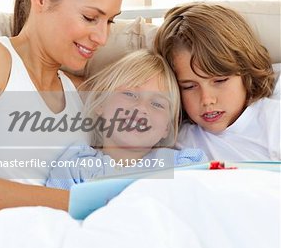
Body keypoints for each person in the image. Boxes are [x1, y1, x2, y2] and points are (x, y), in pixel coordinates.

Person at [0, 0, 126, 211]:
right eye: (90, 17)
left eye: (110, 21)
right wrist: (77, 202)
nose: (102, 37)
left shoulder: (79, 94)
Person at [46, 50, 207, 190]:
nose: (142, 108)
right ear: (101, 103)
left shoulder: (182, 164)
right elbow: (51, 217)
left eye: (157, 104)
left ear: (167, 127)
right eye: (129, 94)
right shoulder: (76, 168)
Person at [154, 2, 280, 161]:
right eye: (189, 86)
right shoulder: (177, 139)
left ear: (246, 72)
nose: (207, 99)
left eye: (219, 80)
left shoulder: (273, 121)